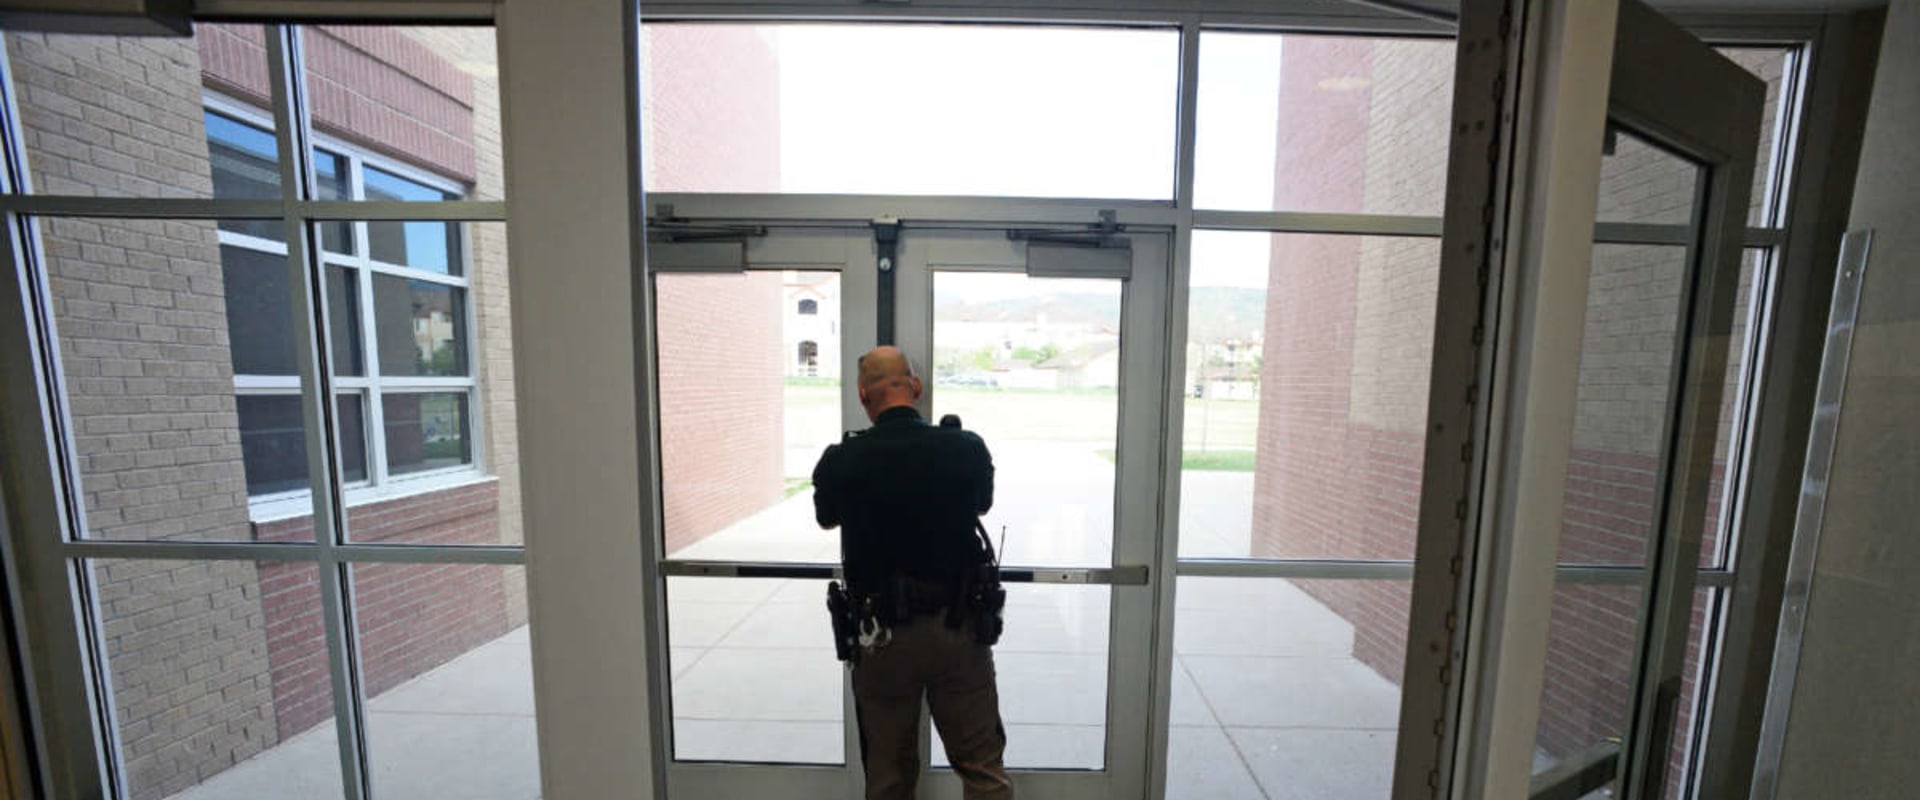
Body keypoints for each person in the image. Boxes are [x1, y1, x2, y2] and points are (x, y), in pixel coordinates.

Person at [812, 346, 1013, 800]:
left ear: (864, 395)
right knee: (982, 767)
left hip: (880, 637)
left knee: (888, 776)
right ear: (916, 387)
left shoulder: (843, 459)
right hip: (959, 629)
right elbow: (981, 503)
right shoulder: (965, 448)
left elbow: (827, 517)